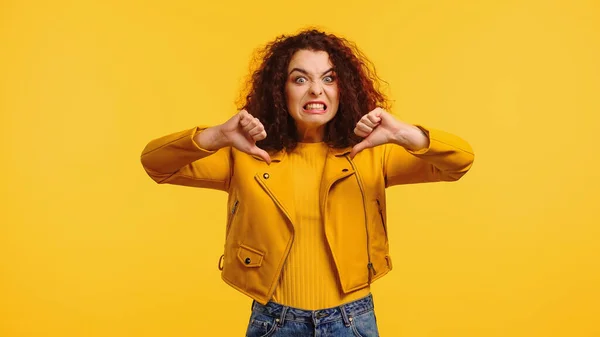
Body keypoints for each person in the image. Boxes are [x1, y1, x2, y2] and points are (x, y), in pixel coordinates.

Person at [140, 28, 474, 337]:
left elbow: (459, 162)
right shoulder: (245, 154)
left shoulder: (372, 153)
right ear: (280, 90)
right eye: (300, 79)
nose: (316, 89)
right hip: (274, 322)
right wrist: (216, 136)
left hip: (351, 321)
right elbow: (156, 164)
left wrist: (404, 133)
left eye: (329, 78)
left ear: (343, 88)